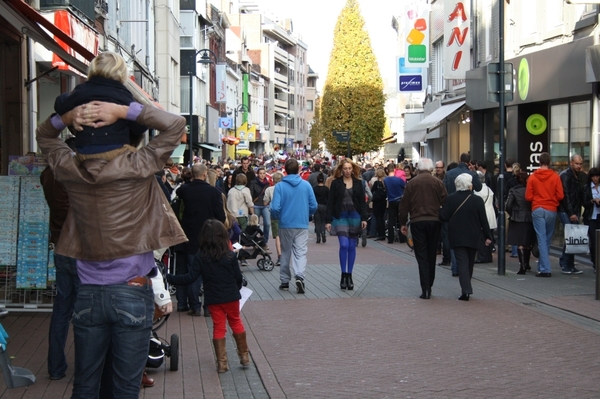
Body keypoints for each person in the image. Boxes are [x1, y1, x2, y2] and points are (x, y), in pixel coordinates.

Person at [37, 99, 187, 398]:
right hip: (132, 289)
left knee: (86, 382)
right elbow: (175, 125)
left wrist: (67, 116)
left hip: (88, 291)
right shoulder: (138, 165)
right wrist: (123, 111)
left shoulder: (69, 167)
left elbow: (44, 135)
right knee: (126, 385)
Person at [166, 219, 249, 373]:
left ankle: (222, 363)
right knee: (236, 322)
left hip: (213, 298)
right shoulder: (229, 255)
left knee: (218, 327)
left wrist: (169, 277)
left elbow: (190, 278)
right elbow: (238, 278)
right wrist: (235, 289)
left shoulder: (201, 256)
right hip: (231, 296)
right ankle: (244, 356)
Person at [53, 52, 147, 160]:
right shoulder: (123, 94)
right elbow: (140, 126)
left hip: (84, 151)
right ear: (122, 74)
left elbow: (59, 104)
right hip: (116, 151)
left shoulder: (81, 90)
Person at [40, 164, 81, 381]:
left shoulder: (48, 174)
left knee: (62, 310)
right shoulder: (73, 177)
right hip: (79, 247)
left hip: (60, 246)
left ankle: (56, 366)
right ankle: (86, 365)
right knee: (85, 311)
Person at [175, 163, 226, 316]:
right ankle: (208, 307)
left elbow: (179, 191)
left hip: (189, 236)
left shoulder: (185, 190)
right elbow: (221, 217)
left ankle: (194, 306)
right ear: (205, 174)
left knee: (193, 273)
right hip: (209, 237)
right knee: (209, 274)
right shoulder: (214, 192)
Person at [398, 159, 447, 299]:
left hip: (417, 221)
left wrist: (402, 223)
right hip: (434, 221)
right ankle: (429, 285)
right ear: (431, 169)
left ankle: (425, 288)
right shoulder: (438, 183)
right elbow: (445, 201)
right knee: (432, 254)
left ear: (418, 169)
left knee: (421, 255)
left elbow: (404, 205)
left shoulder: (412, 183)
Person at [440, 174, 492, 301]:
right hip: (473, 235)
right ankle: (467, 286)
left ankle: (466, 290)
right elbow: (483, 220)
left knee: (462, 262)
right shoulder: (477, 200)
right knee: (469, 262)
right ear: (469, 185)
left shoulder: (451, 199)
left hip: (457, 235)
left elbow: (444, 217)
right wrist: (488, 236)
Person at [270, 158, 318, 294]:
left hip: (285, 223)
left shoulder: (279, 186)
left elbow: (275, 207)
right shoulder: (306, 185)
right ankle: (300, 276)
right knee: (301, 252)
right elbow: (314, 205)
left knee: (286, 252)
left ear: (285, 170)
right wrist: (307, 213)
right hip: (302, 223)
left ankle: (285, 281)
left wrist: (276, 216)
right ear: (298, 169)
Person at [325, 160, 368, 290]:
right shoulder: (336, 183)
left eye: (349, 168)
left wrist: (364, 218)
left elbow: (362, 202)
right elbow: (330, 202)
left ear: (353, 169)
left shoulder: (359, 183)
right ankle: (343, 274)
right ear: (341, 169)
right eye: (345, 168)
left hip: (355, 216)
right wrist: (328, 220)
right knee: (343, 245)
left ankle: (350, 275)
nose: (347, 171)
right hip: (340, 216)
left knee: (351, 247)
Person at [525, 152, 564, 277]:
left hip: (537, 208)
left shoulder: (532, 177)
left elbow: (528, 196)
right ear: (549, 162)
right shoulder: (555, 177)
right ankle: (543, 267)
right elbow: (560, 195)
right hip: (551, 209)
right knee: (547, 239)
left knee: (541, 238)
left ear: (539, 162)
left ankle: (545, 268)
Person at [558, 154, 586, 274]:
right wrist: (571, 213)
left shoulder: (578, 175)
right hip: (566, 210)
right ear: (571, 163)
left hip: (574, 210)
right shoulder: (565, 175)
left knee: (573, 238)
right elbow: (566, 196)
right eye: (577, 163)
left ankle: (569, 264)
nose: (579, 166)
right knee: (570, 237)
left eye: (580, 164)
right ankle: (565, 263)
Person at [506, 172, 535, 274]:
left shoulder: (513, 191)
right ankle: (526, 264)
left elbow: (508, 205)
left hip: (517, 218)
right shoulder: (530, 190)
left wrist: (513, 213)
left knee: (520, 243)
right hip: (530, 218)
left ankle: (522, 266)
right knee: (527, 242)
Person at [474, 171, 497, 263]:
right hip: (490, 214)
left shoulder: (477, 190)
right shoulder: (488, 189)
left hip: (483, 214)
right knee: (489, 236)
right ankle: (488, 256)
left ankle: (482, 257)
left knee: (482, 237)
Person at [264, 171, 284, 265]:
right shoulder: (286, 188)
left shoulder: (269, 189)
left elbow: (265, 202)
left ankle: (280, 256)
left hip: (275, 214)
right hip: (286, 213)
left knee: (277, 236)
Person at [582, 167, 600, 272]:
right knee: (594, 241)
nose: (595, 179)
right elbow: (584, 202)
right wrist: (593, 201)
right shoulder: (586, 188)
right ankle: (595, 263)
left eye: (597, 176)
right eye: (593, 176)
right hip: (591, 217)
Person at [249, 166, 272, 247]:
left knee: (267, 223)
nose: (262, 175)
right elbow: (251, 194)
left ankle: (264, 242)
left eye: (263, 173)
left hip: (265, 205)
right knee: (255, 224)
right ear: (257, 174)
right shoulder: (253, 182)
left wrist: (268, 201)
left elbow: (269, 194)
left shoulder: (267, 183)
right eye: (260, 173)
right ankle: (256, 242)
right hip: (256, 205)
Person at [383, 167, 406, 243]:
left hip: (391, 200)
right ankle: (402, 238)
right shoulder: (399, 180)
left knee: (391, 220)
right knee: (400, 219)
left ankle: (390, 239)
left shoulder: (385, 180)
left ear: (387, 171)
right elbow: (404, 186)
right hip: (400, 200)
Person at [312, 172, 330, 244]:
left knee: (317, 221)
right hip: (324, 206)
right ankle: (323, 233)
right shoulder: (326, 189)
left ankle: (318, 236)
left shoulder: (314, 188)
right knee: (323, 221)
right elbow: (329, 198)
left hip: (316, 206)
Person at [371, 169, 387, 241]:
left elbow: (372, 192)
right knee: (382, 218)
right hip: (383, 202)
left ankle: (380, 234)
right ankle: (383, 233)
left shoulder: (376, 183)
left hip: (377, 202)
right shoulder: (385, 183)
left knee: (378, 218)